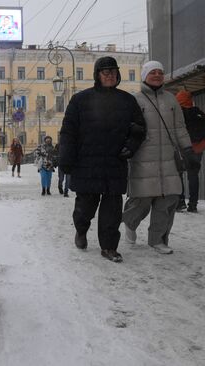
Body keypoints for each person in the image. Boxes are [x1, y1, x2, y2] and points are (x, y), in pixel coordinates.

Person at [59, 56, 146, 263]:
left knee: (112, 211)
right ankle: (81, 230)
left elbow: (139, 129)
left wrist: (130, 147)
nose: (110, 76)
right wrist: (66, 159)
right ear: (97, 75)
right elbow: (68, 132)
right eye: (106, 72)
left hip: (115, 163)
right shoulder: (80, 100)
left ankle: (108, 247)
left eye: (114, 72)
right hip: (86, 164)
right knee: (85, 208)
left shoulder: (127, 100)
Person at [122, 61, 199, 255]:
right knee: (141, 200)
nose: (157, 75)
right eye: (152, 72)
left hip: (168, 159)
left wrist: (188, 150)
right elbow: (127, 130)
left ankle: (158, 240)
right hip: (143, 159)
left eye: (160, 72)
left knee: (169, 200)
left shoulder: (171, 100)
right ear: (144, 76)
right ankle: (129, 224)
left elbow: (180, 127)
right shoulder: (135, 100)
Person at [175, 90, 205, 213]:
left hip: (183, 149)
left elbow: (175, 133)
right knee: (193, 176)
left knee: (178, 174)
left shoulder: (178, 114)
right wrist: (200, 147)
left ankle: (180, 202)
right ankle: (193, 204)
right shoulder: (199, 113)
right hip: (197, 150)